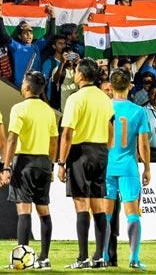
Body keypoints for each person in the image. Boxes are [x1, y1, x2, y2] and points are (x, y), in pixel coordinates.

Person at [57, 58, 115, 269]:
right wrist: (106, 147)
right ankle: (100, 256)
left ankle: (82, 258)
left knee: (81, 205)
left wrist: (61, 162)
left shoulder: (75, 98)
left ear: (81, 75)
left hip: (80, 153)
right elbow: (111, 128)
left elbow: (67, 133)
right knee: (98, 205)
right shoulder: (104, 98)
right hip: (100, 152)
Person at [0, 71, 57, 270]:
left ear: (26, 87)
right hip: (43, 163)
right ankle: (44, 258)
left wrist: (6, 167)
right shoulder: (48, 110)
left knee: (24, 211)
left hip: (23, 162)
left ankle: (22, 261)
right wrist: (50, 165)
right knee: (44, 211)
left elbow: (12, 139)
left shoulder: (19, 108)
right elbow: (53, 141)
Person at [102, 69, 151, 269]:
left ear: (111, 87)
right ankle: (134, 258)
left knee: (105, 215)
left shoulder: (103, 109)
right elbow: (144, 145)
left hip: (106, 166)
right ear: (130, 86)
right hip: (129, 167)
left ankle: (103, 256)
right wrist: (147, 167)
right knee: (132, 213)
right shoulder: (138, 112)